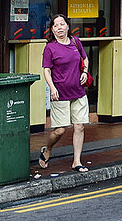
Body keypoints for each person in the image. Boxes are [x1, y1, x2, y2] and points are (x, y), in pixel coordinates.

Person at [37, 13, 91, 173]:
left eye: (62, 24)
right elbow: (46, 71)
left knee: (79, 126)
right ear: (52, 30)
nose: (59, 27)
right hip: (60, 94)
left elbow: (85, 58)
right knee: (60, 130)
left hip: (79, 92)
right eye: (56, 25)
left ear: (68, 26)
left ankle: (77, 161)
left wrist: (84, 71)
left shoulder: (76, 42)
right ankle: (47, 149)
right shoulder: (50, 48)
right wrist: (52, 88)